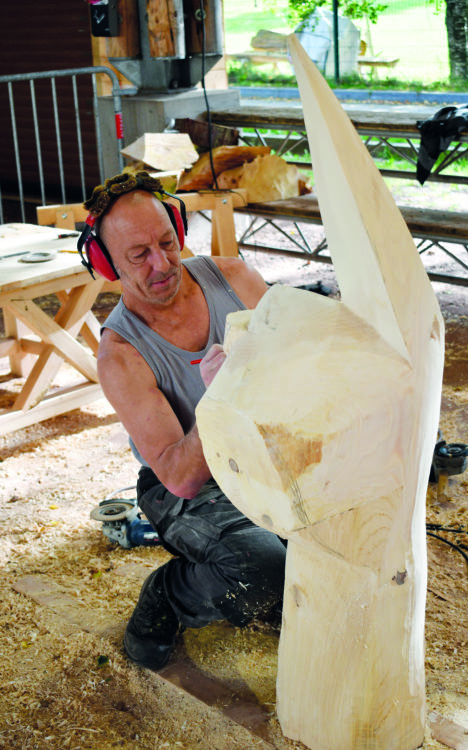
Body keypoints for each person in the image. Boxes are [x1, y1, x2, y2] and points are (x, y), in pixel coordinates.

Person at [79, 172, 286, 671]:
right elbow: (181, 475)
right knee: (262, 570)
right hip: (188, 486)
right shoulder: (121, 353)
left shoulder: (233, 279)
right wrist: (220, 400)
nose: (162, 264)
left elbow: (301, 364)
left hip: (266, 452)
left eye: (167, 243)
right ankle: (168, 595)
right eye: (138, 255)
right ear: (108, 265)